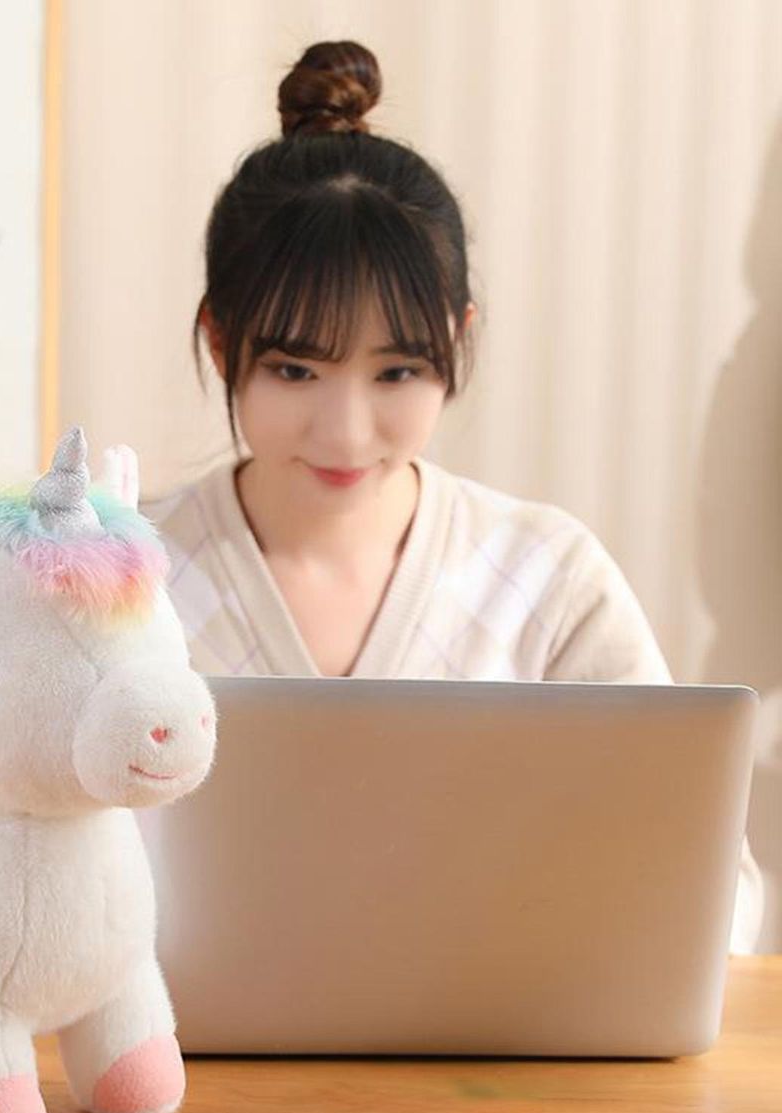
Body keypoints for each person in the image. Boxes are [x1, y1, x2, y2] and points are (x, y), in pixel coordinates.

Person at [140, 40, 764, 955]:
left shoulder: (548, 580)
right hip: (175, 1044)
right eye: (295, 369)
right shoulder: (117, 580)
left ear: (458, 337)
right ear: (220, 341)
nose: (346, 433)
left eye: (397, 371)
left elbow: (713, 888)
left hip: (498, 1045)